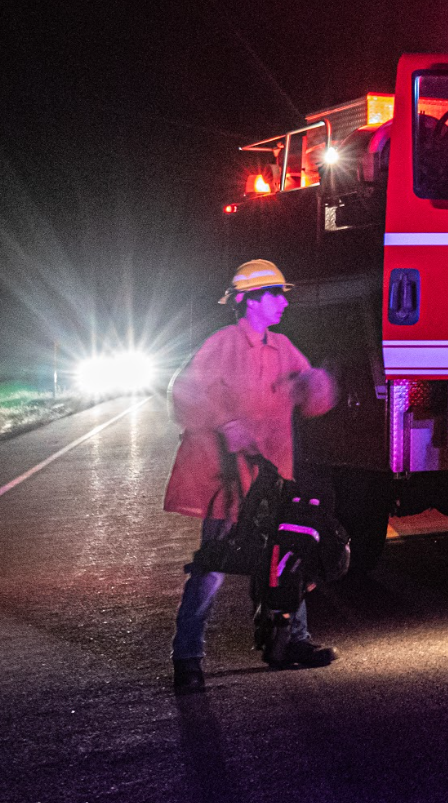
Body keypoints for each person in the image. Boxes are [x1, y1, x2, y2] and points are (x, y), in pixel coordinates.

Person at [166, 259, 338, 693]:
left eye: (282, 294)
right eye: (274, 294)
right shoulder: (221, 345)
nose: (282, 302)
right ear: (249, 302)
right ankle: (187, 658)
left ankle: (290, 644)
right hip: (226, 480)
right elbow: (183, 393)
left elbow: (313, 402)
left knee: (287, 557)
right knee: (214, 566)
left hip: (271, 477)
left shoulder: (283, 348)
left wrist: (317, 385)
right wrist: (225, 422)